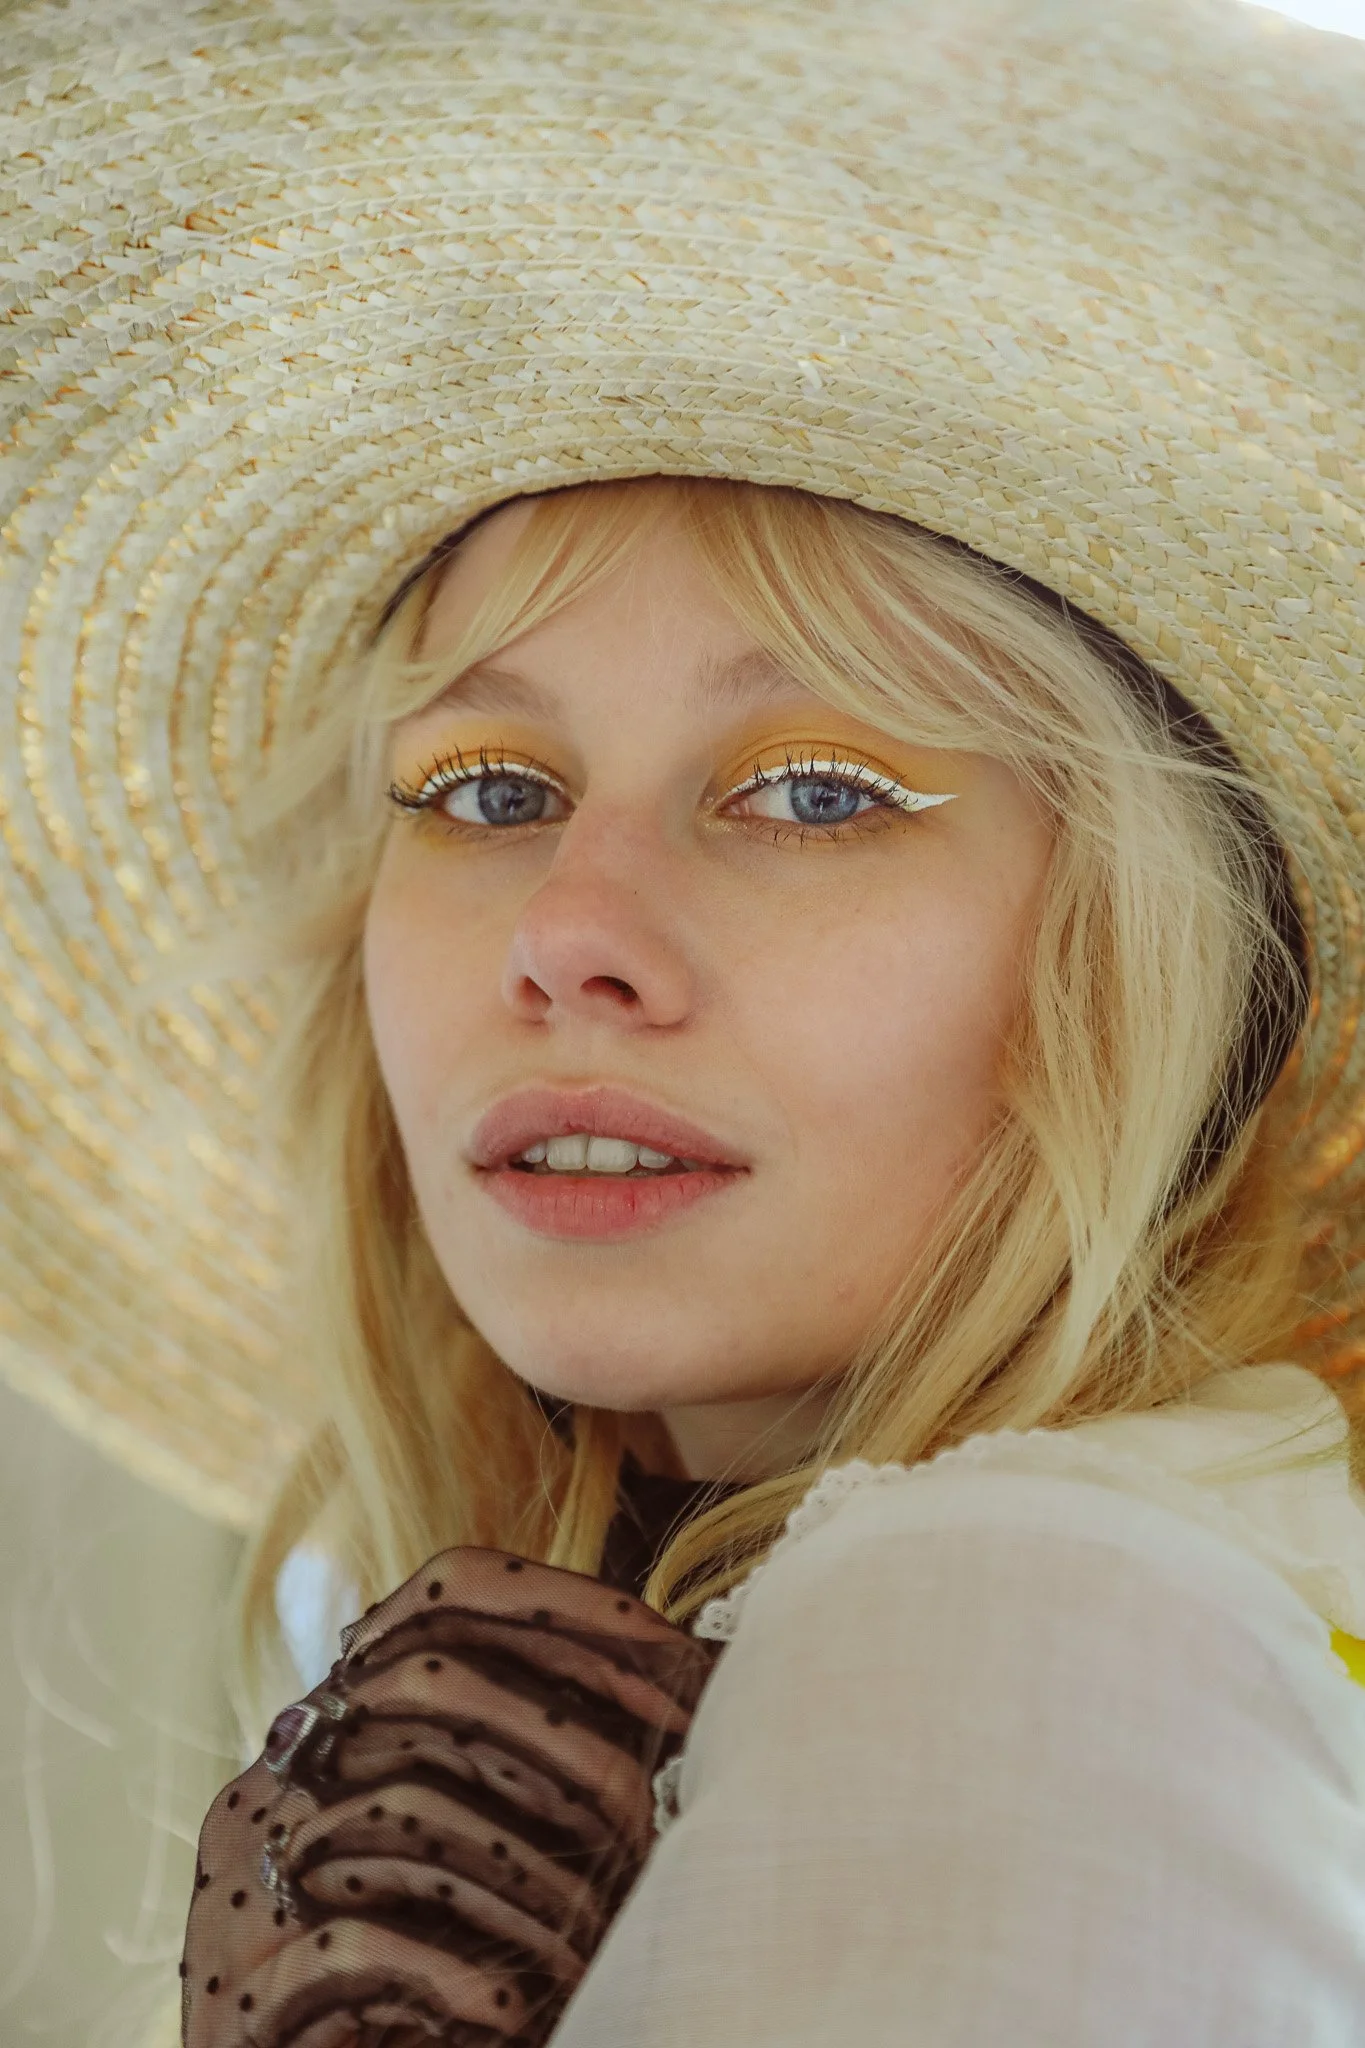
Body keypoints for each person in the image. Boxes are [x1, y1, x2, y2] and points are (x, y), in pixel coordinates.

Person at [2, 1, 1363, 2043]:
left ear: (1161, 965)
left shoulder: (1005, 1615)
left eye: (814, 790)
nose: (566, 933)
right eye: (484, 789)